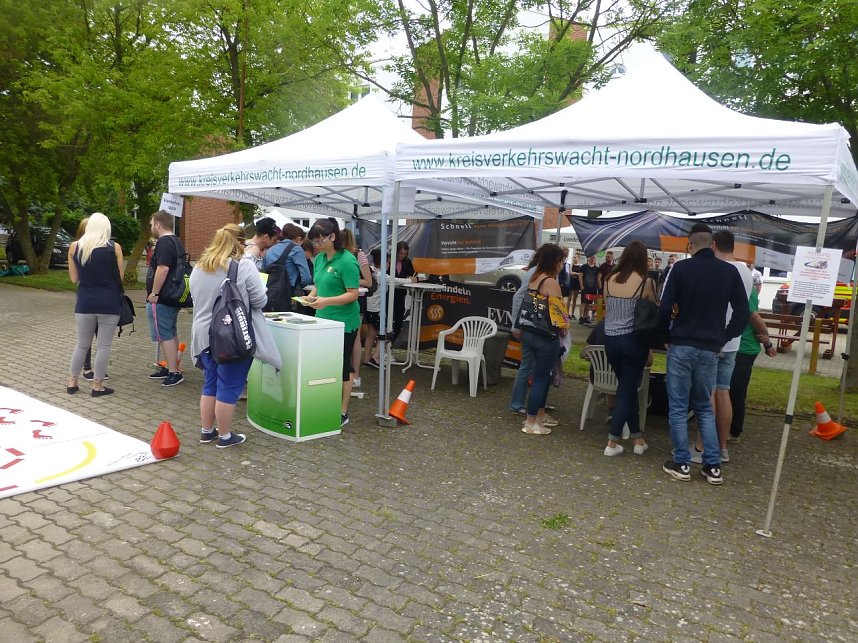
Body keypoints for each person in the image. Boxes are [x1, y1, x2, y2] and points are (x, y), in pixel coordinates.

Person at [658, 223, 749, 485]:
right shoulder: (729, 272)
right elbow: (742, 311)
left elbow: (665, 308)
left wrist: (665, 336)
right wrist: (725, 336)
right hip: (711, 347)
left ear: (689, 246)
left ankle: (682, 462)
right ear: (712, 244)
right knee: (704, 407)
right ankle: (712, 466)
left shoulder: (680, 268)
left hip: (682, 343)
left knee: (677, 406)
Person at [189, 224, 279, 448]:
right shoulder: (243, 267)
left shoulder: (199, 267)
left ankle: (207, 431)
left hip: (203, 336)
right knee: (228, 388)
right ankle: (226, 437)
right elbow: (260, 301)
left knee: (210, 384)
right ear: (240, 243)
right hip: (231, 336)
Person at [690, 230, 752, 464]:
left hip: (712, 338)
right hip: (733, 340)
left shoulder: (717, 269)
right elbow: (746, 308)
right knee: (724, 391)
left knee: (707, 395)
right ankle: (723, 447)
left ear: (714, 245)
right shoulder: (746, 271)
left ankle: (702, 446)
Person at [602, 241, 657, 457]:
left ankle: (637, 438)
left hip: (611, 340)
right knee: (626, 389)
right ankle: (612, 442)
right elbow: (653, 311)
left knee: (627, 389)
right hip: (634, 341)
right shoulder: (646, 283)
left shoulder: (608, 280)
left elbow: (607, 308)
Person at [306, 218, 361, 427]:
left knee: (342, 366)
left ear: (333, 237)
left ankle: (342, 410)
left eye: (320, 241)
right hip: (323, 320)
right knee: (323, 364)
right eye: (314, 242)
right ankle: (325, 401)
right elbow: (318, 285)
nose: (317, 246)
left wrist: (326, 301)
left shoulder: (347, 261)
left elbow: (353, 294)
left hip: (344, 322)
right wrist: (311, 296)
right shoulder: (320, 259)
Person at [67, 213, 124, 397]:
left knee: (82, 344)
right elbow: (120, 279)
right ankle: (97, 386)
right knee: (103, 346)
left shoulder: (75, 247)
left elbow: (74, 278)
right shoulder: (114, 248)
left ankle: (72, 383)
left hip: (85, 302)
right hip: (109, 302)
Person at [517, 244, 569, 435]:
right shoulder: (551, 282)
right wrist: (564, 328)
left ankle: (537, 416)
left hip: (529, 332)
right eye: (562, 261)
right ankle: (531, 422)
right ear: (555, 261)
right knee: (541, 378)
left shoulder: (534, 277)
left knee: (537, 375)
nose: (563, 264)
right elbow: (558, 314)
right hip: (545, 336)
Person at [509, 245, 558, 426]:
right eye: (561, 259)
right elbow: (518, 298)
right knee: (531, 369)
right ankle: (519, 405)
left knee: (533, 368)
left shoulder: (537, 273)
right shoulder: (537, 274)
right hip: (536, 329)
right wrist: (515, 324)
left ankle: (535, 406)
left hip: (531, 327)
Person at [729, 286, 778, 442]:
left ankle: (734, 430)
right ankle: (729, 427)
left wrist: (768, 343)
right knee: (730, 390)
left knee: (734, 391)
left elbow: (755, 318)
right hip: (741, 346)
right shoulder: (749, 289)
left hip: (743, 347)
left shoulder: (744, 290)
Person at [146, 210, 187, 387]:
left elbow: (162, 269)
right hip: (174, 294)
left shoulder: (163, 242)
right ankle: (172, 366)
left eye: (151, 223)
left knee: (165, 334)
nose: (151, 227)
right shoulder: (177, 241)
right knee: (170, 331)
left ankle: (173, 372)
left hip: (163, 296)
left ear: (157, 224)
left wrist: (154, 293)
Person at [340, 228, 373, 388]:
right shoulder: (336, 256)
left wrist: (349, 279)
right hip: (340, 302)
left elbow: (368, 281)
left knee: (355, 337)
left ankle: (356, 375)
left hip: (357, 300)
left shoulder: (359, 255)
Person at [261, 222, 312, 304]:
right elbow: (306, 278)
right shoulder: (296, 249)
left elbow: (263, 272)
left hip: (269, 293)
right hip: (289, 294)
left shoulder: (270, 249)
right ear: (299, 238)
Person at [391, 241, 418, 344]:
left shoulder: (407, 262)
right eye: (401, 253)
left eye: (405, 254)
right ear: (396, 252)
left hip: (400, 294)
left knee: (399, 320)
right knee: (387, 320)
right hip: (388, 294)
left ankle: (391, 344)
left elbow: (414, 276)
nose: (402, 256)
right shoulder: (389, 260)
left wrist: (412, 278)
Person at [362, 248, 384, 368]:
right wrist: (410, 280)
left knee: (371, 333)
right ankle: (375, 358)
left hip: (368, 305)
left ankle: (366, 359)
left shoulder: (372, 271)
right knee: (384, 332)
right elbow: (396, 281)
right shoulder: (381, 274)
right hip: (375, 307)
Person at [578, 254, 599, 324]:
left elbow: (598, 279)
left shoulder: (597, 269)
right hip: (585, 287)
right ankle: (581, 317)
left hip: (592, 289)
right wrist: (581, 286)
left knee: (589, 304)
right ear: (589, 258)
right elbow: (580, 276)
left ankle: (585, 317)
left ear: (595, 260)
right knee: (583, 303)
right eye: (591, 257)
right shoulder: (584, 267)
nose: (592, 259)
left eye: (594, 258)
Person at [567, 252, 581, 319]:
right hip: (572, 282)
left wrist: (576, 273)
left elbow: (580, 274)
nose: (574, 258)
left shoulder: (580, 266)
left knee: (575, 299)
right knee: (569, 298)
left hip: (577, 282)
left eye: (575, 257)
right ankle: (567, 313)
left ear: (578, 258)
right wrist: (576, 273)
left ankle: (572, 313)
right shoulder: (571, 265)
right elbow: (571, 273)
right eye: (573, 257)